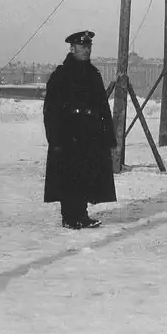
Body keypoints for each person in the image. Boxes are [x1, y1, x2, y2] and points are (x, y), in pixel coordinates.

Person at [43, 30, 118, 229]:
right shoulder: (61, 75)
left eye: (88, 47)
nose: (86, 50)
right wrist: (55, 139)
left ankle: (82, 215)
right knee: (69, 176)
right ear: (72, 48)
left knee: (86, 174)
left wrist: (108, 136)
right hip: (68, 134)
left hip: (90, 134)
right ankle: (69, 217)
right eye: (82, 46)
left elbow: (103, 107)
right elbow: (50, 110)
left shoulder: (93, 74)